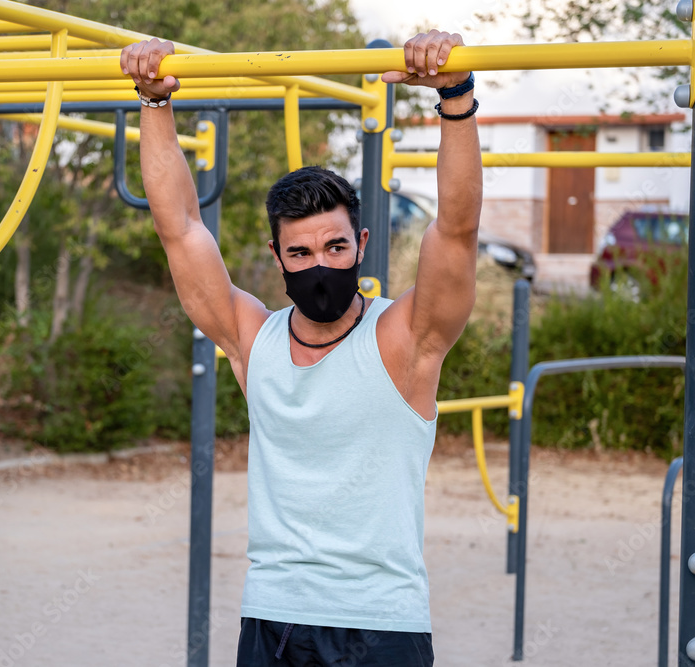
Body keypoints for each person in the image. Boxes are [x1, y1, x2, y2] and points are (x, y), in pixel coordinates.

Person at [121, 29, 481, 667]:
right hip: (274, 617)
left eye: (335, 247)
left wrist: (455, 98)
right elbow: (178, 228)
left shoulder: (405, 341)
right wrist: (154, 102)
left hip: (381, 624)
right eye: (303, 252)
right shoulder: (253, 342)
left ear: (362, 244)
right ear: (277, 258)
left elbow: (455, 229)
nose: (321, 265)